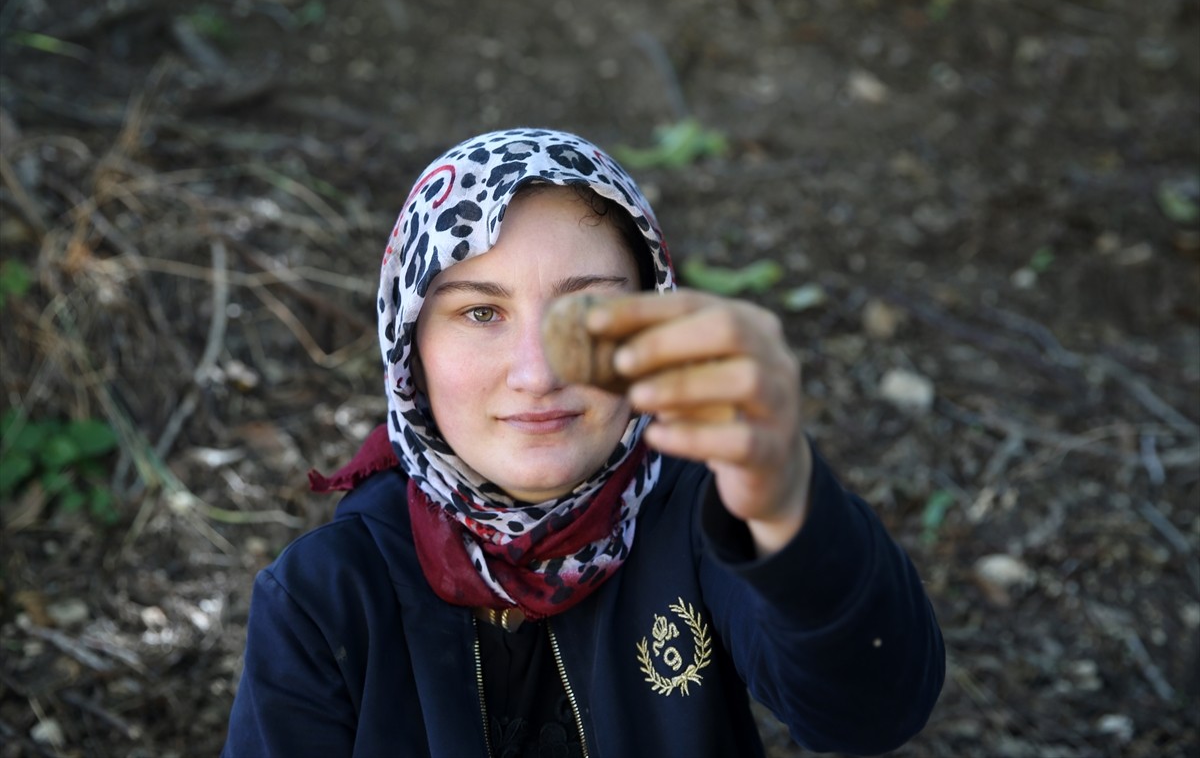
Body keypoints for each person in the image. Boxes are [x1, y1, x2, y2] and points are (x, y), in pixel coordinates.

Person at [222, 128, 945, 757]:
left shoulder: (702, 520)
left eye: (587, 313)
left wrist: (790, 509)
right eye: (480, 312)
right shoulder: (327, 598)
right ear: (410, 348)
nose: (538, 373)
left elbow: (871, 712)